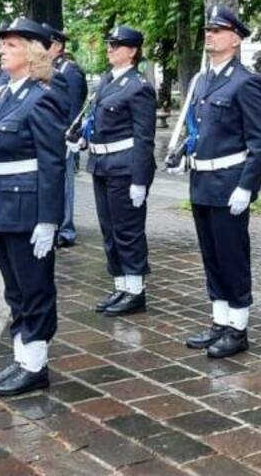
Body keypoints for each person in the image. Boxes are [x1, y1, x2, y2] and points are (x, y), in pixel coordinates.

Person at [0, 17, 66, 396]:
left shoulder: (41, 97)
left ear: (32, 55)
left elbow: (52, 162)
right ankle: (21, 357)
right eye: (3, 43)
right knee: (14, 289)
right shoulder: (5, 93)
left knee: (34, 287)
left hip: (26, 208)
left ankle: (35, 365)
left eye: (11, 45)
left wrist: (49, 219)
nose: (1, 48)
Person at [182, 6, 261, 359]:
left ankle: (238, 327)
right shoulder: (204, 81)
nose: (210, 35)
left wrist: (247, 186)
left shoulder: (245, 81)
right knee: (211, 255)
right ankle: (220, 321)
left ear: (235, 39)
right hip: (203, 181)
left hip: (229, 183)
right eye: (208, 29)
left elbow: (260, 140)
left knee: (232, 257)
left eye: (218, 31)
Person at [81, 26, 156, 316]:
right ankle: (121, 285)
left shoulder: (139, 87)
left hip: (125, 168)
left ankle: (136, 291)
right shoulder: (107, 81)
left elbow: (144, 138)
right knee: (109, 229)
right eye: (110, 44)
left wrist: (140, 179)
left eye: (116, 45)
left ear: (132, 51)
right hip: (102, 165)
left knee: (128, 230)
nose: (109, 49)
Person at [43, 24, 87, 248]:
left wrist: (70, 134)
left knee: (65, 183)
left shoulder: (69, 70)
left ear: (58, 46)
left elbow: (75, 107)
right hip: (49, 135)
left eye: (46, 43)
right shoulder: (47, 68)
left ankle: (66, 229)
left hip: (64, 135)